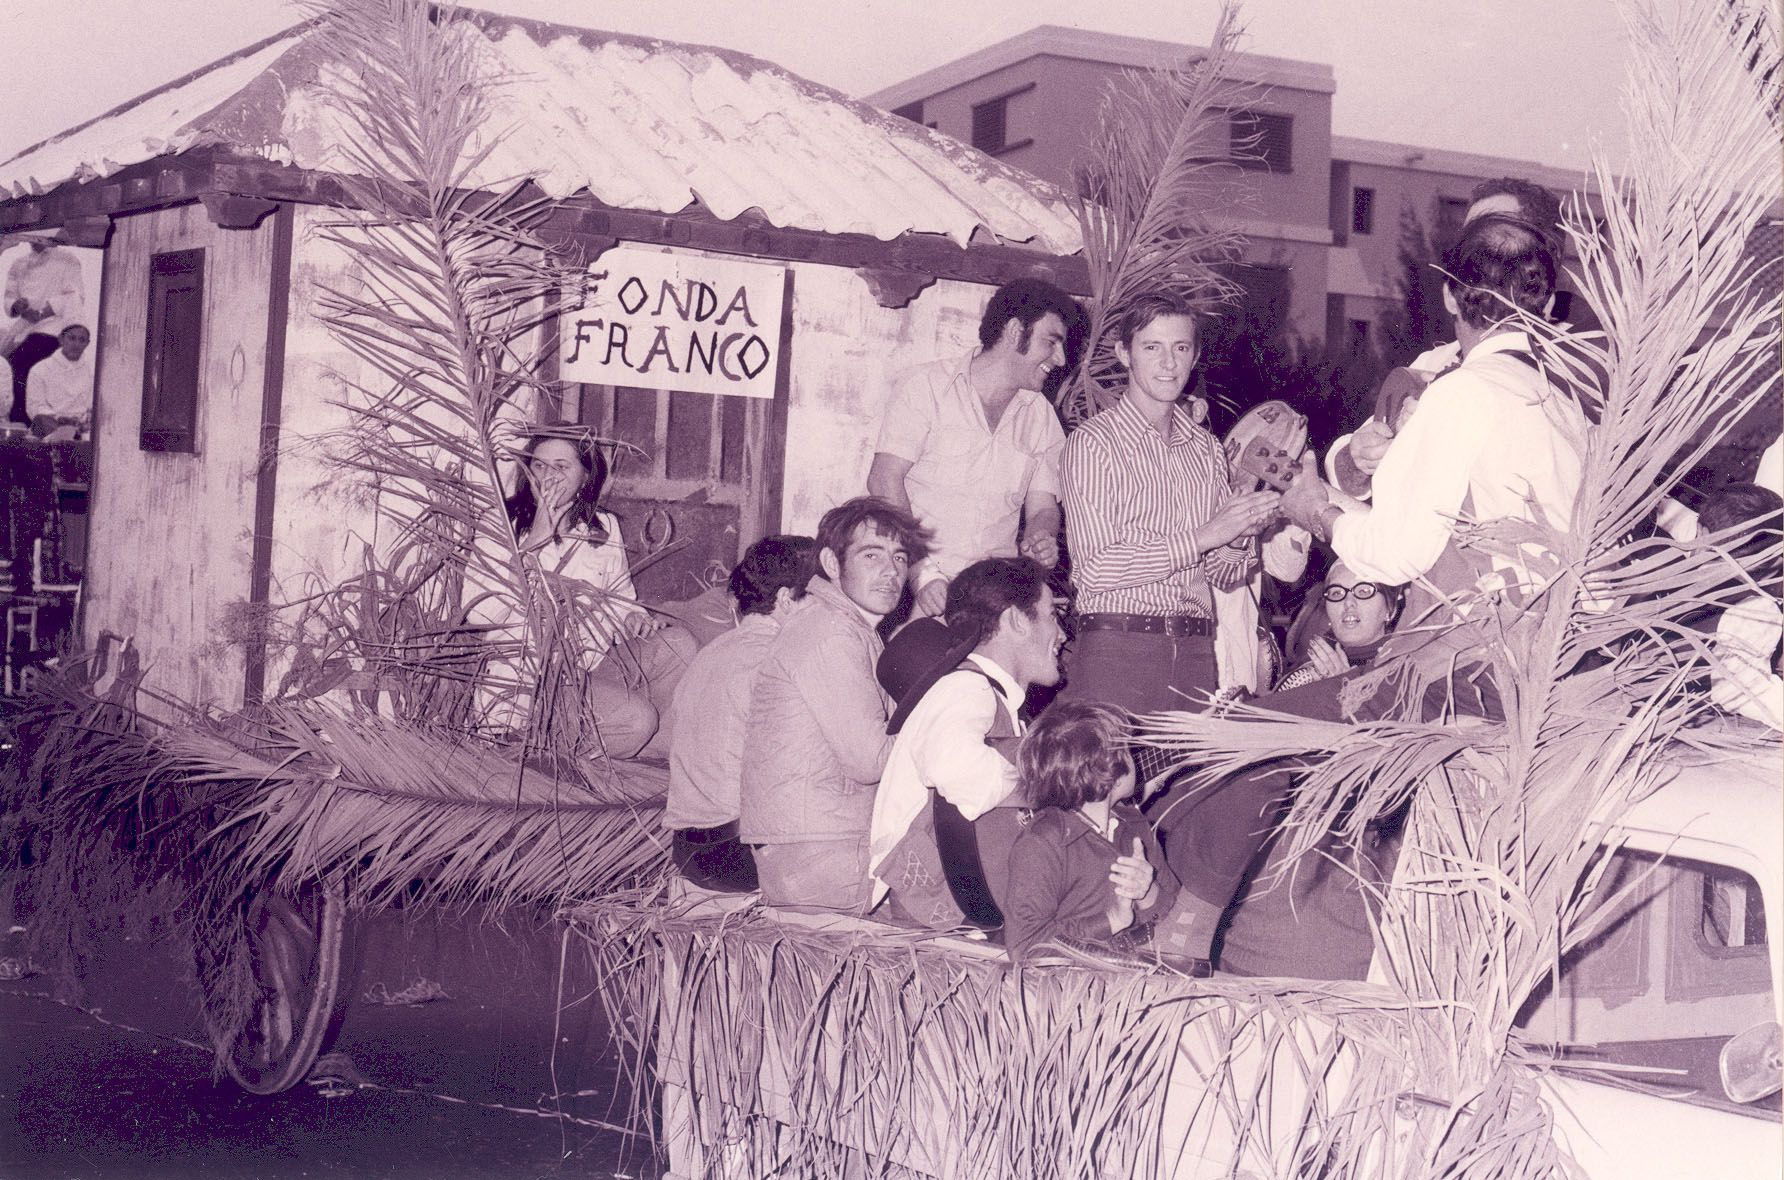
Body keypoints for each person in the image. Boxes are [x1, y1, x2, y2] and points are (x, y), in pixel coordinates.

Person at [1159, 213, 1588, 968]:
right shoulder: (1564, 407)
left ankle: (1179, 939)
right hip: (1538, 678)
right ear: (1547, 305)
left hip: (1459, 677)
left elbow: (1393, 555)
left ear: (1454, 297)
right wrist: (1340, 482)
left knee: (1252, 733)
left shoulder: (1466, 391)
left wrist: (1314, 506)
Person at [1058, 293, 1281, 715]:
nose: (1168, 363)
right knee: (1108, 780)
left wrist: (1241, 534)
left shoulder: (1205, 449)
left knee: (1185, 781)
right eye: (1151, 347)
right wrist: (1203, 536)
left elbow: (1224, 572)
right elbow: (1095, 568)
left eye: (1180, 348)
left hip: (1198, 649)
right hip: (1118, 646)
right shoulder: (1093, 444)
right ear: (1125, 354)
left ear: (1194, 355)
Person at [1328, 177, 1573, 501]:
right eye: (1471, 236)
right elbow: (1344, 465)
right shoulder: (1436, 362)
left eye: (1495, 234)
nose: (1478, 250)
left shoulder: (1585, 374)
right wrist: (1359, 458)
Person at [739, 496, 930, 913]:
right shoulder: (832, 634)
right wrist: (941, 732)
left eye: (899, 557)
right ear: (830, 562)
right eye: (871, 554)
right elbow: (870, 760)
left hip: (815, 842)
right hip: (823, 849)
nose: (891, 571)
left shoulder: (843, 626)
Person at [867, 556, 1065, 929]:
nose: (1063, 634)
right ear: (1016, 620)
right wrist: (1055, 791)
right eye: (1052, 614)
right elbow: (954, 767)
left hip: (954, 912)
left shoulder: (995, 702)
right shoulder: (966, 687)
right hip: (929, 917)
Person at [868, 278, 1075, 616]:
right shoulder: (927, 387)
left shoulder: (1041, 416)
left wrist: (1041, 537)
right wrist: (922, 574)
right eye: (1050, 342)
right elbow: (884, 481)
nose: (1061, 359)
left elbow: (1043, 507)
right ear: (1012, 331)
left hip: (993, 600)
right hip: (917, 591)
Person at [492, 433, 696, 759]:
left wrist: (632, 618)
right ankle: (533, 750)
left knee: (679, 643)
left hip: (592, 666)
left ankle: (648, 752)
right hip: (534, 685)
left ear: (586, 475)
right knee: (637, 720)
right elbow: (483, 613)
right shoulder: (501, 523)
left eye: (561, 466)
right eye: (539, 465)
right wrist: (534, 543)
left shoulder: (604, 526)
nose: (548, 476)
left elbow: (619, 598)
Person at [663, 534, 818, 893]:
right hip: (741, 853)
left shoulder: (711, 653)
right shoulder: (780, 660)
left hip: (688, 852)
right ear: (786, 600)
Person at [1001, 701, 1178, 960]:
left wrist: (1147, 892)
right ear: (1109, 768)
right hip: (1072, 988)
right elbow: (1025, 946)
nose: (1135, 758)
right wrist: (1111, 920)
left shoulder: (1136, 825)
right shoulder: (1043, 842)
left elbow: (1177, 913)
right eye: (1128, 750)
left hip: (1144, 971)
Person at [1698, 482, 1783, 730]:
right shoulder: (1754, 609)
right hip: (1694, 730)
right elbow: (1742, 693)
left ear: (1701, 533)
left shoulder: (1649, 576)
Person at [1272, 562, 1401, 692]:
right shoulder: (1311, 666)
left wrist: (1344, 689)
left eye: (1363, 591)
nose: (1348, 603)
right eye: (1336, 593)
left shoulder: (1404, 668)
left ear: (1390, 609)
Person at [4, 241, 86, 426]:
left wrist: (42, 313)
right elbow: (10, 296)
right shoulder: (19, 263)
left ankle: (24, 425)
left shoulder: (67, 260)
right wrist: (18, 306)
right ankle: (15, 425)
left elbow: (74, 296)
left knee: (21, 369)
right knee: (6, 369)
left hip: (51, 328)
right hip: (23, 328)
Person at [25, 323, 93, 439]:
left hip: (82, 429)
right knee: (43, 421)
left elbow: (92, 406)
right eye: (71, 338)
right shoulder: (40, 369)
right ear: (61, 339)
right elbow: (34, 406)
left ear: (87, 344)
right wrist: (59, 419)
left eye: (82, 340)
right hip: (50, 427)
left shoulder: (92, 371)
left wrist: (80, 422)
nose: (76, 344)